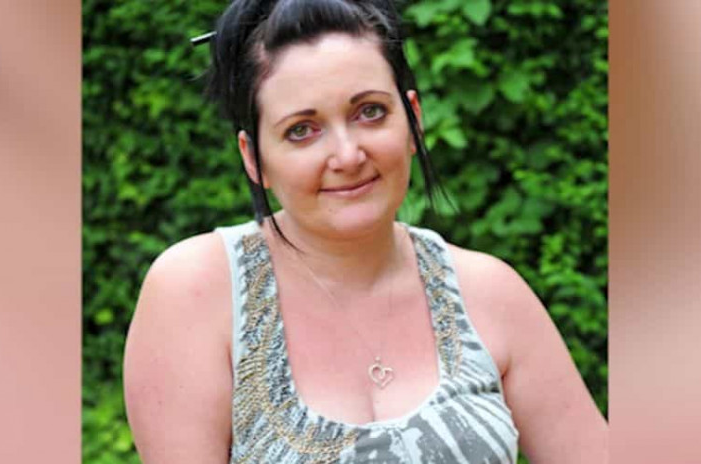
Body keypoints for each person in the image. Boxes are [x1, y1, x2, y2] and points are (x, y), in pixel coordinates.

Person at [122, 0, 608, 462]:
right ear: (254, 159)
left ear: (413, 120)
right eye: (301, 130)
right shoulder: (197, 293)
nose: (348, 155)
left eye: (370, 112)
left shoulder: (491, 292)